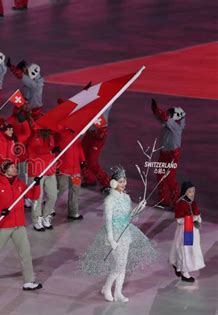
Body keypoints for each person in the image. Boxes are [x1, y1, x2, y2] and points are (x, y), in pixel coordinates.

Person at [80, 166, 157, 302]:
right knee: (118, 265)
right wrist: (111, 238)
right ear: (113, 183)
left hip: (125, 233)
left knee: (123, 264)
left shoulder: (126, 198)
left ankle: (118, 292)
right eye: (120, 181)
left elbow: (129, 217)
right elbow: (108, 220)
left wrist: (139, 208)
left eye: (124, 181)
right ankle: (107, 288)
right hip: (115, 234)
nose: (123, 184)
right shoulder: (110, 200)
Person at [0, 160, 42, 291]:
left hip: (19, 224)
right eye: (12, 167)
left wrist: (37, 185)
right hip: (4, 225)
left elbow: (34, 196)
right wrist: (0, 212)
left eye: (15, 167)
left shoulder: (19, 184)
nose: (15, 169)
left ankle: (28, 281)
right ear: (5, 170)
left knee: (25, 253)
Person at [151, 99, 185, 207]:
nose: (167, 116)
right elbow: (161, 118)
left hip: (172, 155)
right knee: (160, 174)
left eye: (169, 114)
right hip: (164, 154)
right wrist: (155, 111)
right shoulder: (168, 124)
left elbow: (163, 117)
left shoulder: (174, 125)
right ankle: (163, 200)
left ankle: (177, 202)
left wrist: (156, 109)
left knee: (170, 178)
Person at [169, 181, 205, 283]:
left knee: (190, 248)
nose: (192, 194)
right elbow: (180, 220)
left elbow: (198, 214)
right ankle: (184, 272)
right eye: (189, 192)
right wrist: (191, 219)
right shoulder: (181, 204)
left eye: (193, 191)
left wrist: (197, 219)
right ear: (185, 192)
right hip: (186, 230)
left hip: (193, 231)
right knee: (185, 249)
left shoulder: (193, 203)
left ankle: (178, 265)